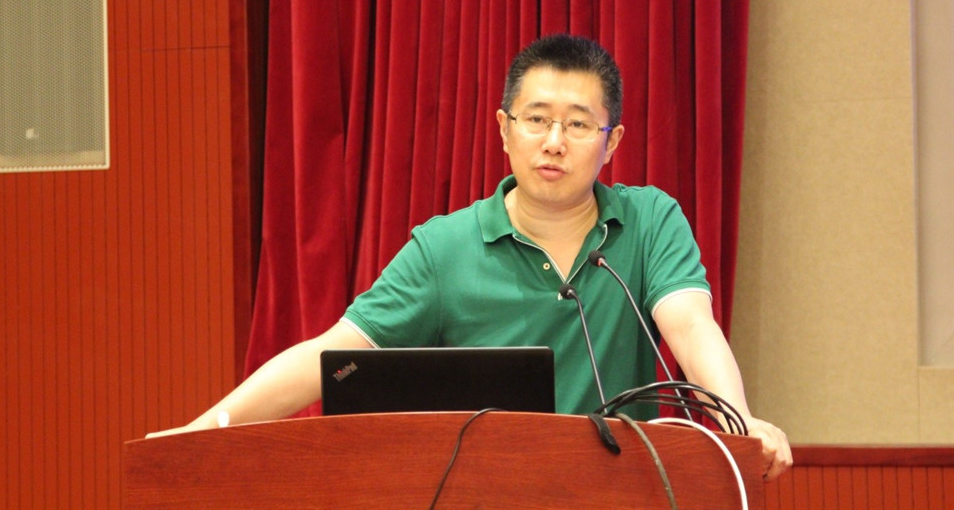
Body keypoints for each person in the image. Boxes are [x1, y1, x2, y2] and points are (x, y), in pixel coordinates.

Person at [149, 34, 792, 481]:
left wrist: (738, 429)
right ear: (504, 129)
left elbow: (691, 328)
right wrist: (206, 429)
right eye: (536, 119)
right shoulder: (444, 249)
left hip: (622, 492)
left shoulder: (650, 221)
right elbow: (332, 356)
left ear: (612, 140)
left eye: (577, 124)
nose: (554, 141)